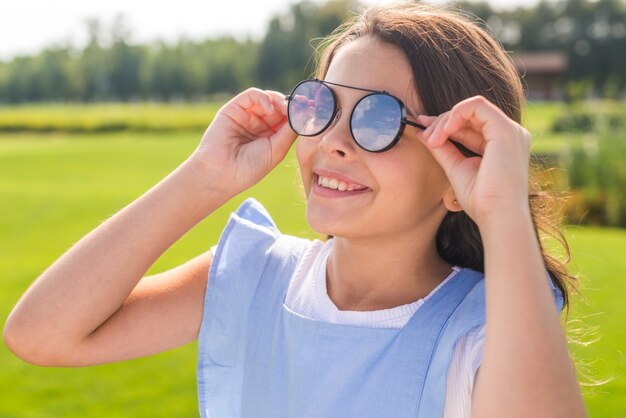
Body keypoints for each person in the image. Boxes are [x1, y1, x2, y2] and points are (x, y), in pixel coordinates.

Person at [3, 3, 587, 417]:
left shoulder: (488, 328)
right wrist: (204, 177)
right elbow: (42, 335)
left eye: (379, 119)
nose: (334, 138)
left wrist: (501, 210)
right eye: (324, 105)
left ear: (462, 171)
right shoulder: (256, 276)